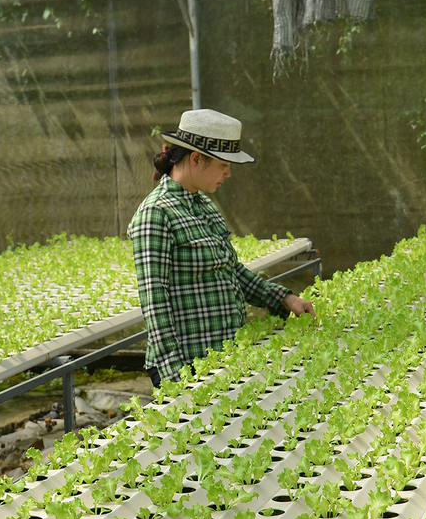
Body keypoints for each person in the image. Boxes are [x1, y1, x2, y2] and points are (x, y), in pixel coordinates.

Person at [128, 108, 314, 385]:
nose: (228, 174)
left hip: (223, 356)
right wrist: (175, 378)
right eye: (223, 165)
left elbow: (232, 271)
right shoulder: (156, 214)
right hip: (187, 363)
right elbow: (155, 302)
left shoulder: (204, 206)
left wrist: (284, 299)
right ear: (196, 159)